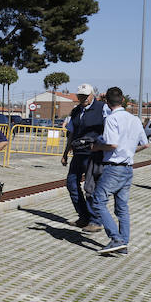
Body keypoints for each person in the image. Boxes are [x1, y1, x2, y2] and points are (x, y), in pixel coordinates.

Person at [89, 87, 149, 254]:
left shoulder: (111, 119)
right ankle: (123, 243)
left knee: (98, 201)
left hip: (114, 168)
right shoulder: (135, 119)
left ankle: (116, 239)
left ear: (107, 102)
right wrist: (129, 151)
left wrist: (96, 147)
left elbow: (112, 144)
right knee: (122, 207)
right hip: (128, 167)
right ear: (123, 100)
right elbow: (145, 144)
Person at [62, 83, 106, 230]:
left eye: (86, 96)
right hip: (78, 152)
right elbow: (71, 133)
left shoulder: (101, 108)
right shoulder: (75, 111)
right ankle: (84, 216)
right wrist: (65, 153)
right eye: (80, 96)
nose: (83, 98)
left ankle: (95, 220)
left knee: (90, 187)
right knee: (71, 183)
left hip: (93, 153)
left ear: (92, 95)